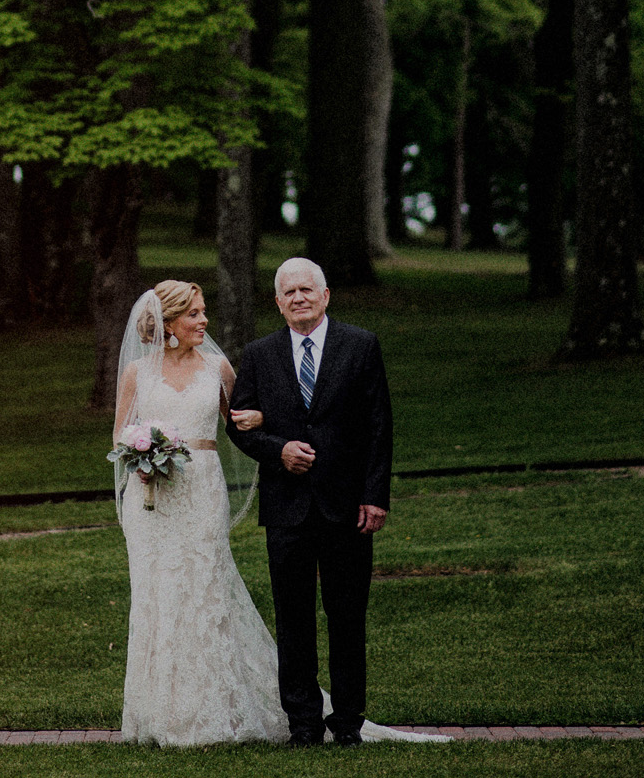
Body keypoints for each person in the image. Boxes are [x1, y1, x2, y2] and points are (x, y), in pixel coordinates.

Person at [115, 277, 440, 748]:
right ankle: (162, 712)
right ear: (167, 324)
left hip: (201, 492)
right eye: (195, 314)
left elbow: (243, 418)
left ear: (327, 295)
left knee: (206, 593)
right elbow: (122, 434)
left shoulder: (220, 366)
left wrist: (266, 424)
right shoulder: (138, 374)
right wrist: (140, 457)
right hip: (151, 498)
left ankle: (224, 710)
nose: (205, 320)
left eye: (204, 312)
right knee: (158, 599)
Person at [225, 256, 392, 748]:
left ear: (325, 296)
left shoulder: (360, 346)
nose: (298, 298)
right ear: (277, 303)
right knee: (293, 619)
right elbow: (238, 425)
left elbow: (379, 427)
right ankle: (302, 722)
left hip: (347, 507)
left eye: (306, 289)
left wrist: (374, 496)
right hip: (288, 509)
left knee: (347, 617)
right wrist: (277, 451)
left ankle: (347, 722)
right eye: (288, 292)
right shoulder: (258, 355)